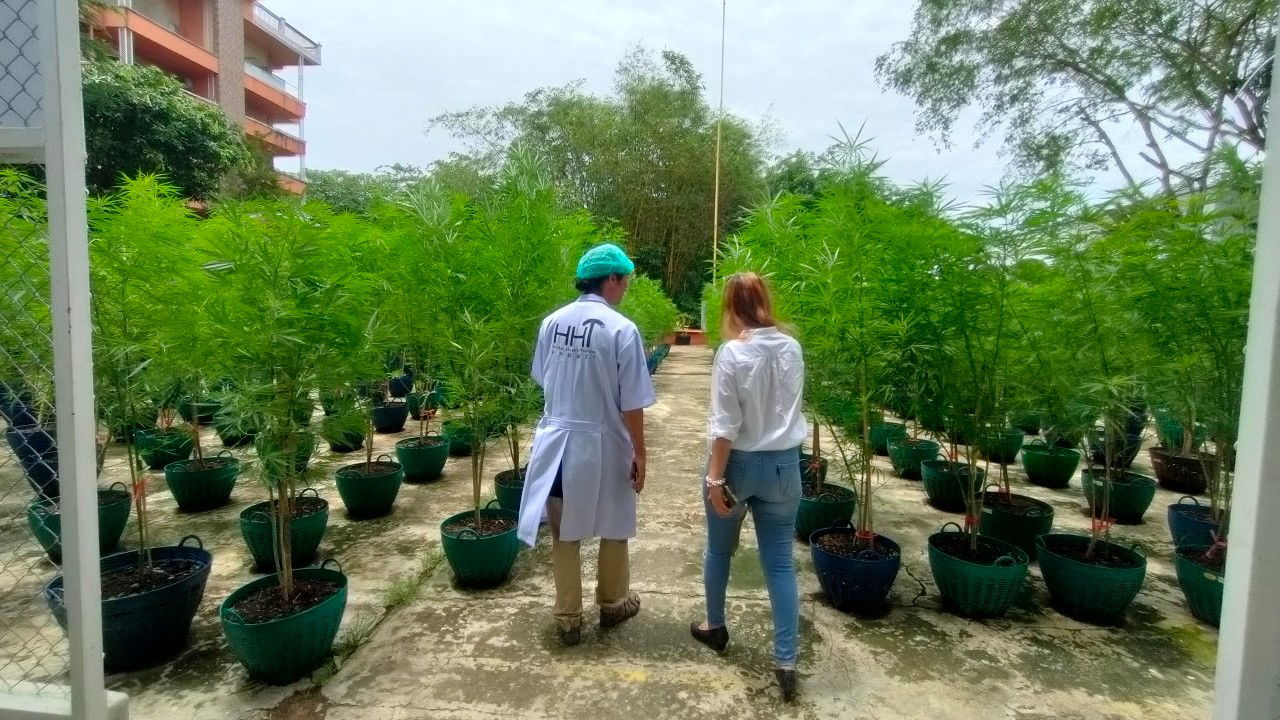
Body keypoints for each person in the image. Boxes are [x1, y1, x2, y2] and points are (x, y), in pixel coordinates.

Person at [518, 243, 656, 647]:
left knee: (564, 532)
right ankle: (612, 604)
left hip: (559, 446)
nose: (626, 287)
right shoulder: (620, 329)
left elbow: (544, 377)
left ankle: (568, 619)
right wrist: (640, 451)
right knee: (614, 525)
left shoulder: (552, 323)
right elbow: (632, 402)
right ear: (611, 278)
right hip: (606, 444)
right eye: (625, 279)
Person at [690, 272, 807, 702]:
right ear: (764, 301)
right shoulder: (792, 348)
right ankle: (786, 660)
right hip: (783, 467)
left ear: (730, 307)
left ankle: (715, 626)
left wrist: (714, 479)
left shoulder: (732, 353)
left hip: (737, 466)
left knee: (719, 549)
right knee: (779, 564)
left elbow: (725, 426)